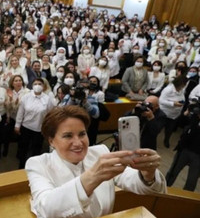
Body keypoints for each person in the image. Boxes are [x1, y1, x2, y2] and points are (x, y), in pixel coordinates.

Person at [25, 106, 167, 218]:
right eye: (68, 136)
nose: (78, 143)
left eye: (82, 134)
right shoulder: (37, 164)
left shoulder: (99, 152)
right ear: (51, 141)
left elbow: (131, 179)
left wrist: (148, 174)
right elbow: (46, 208)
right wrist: (90, 178)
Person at [15, 78, 54, 168]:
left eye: (39, 84)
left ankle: (34, 167)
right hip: (26, 127)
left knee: (36, 150)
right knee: (23, 148)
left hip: (39, 129)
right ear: (32, 86)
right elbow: (21, 112)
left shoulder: (47, 99)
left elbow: (50, 114)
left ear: (43, 86)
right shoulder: (26, 97)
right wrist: (17, 125)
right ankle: (21, 166)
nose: (37, 86)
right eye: (35, 84)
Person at [166, 107, 200, 191]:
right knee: (172, 172)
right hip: (184, 150)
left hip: (198, 156)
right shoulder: (194, 117)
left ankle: (184, 200)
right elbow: (180, 123)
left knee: (192, 180)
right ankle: (163, 191)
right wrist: (186, 113)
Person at [159, 75, 187, 148]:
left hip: (174, 115)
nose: (184, 86)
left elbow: (182, 98)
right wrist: (173, 103)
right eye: (183, 84)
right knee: (158, 128)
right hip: (164, 113)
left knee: (169, 130)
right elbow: (161, 100)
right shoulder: (168, 89)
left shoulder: (182, 90)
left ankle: (166, 140)